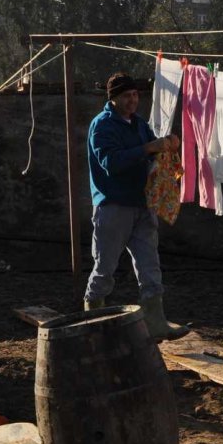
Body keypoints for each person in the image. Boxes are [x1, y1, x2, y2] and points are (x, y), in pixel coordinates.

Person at [84, 71, 188, 341]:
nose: (132, 100)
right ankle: (94, 324)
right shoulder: (102, 126)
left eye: (134, 95)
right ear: (113, 98)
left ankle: (156, 322)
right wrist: (148, 148)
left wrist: (168, 146)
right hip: (113, 206)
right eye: (126, 96)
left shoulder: (139, 124)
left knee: (150, 266)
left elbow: (153, 154)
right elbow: (111, 163)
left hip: (143, 203)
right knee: (105, 268)